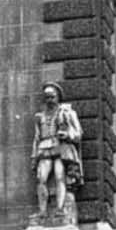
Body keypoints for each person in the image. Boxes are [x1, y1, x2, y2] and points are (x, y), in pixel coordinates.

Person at [32, 82, 82, 219]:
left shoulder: (67, 113)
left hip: (60, 147)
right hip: (44, 148)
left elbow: (78, 133)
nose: (50, 100)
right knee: (41, 179)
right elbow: (36, 138)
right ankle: (42, 210)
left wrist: (67, 135)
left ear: (58, 97)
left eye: (52, 97)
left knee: (60, 177)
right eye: (47, 97)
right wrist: (33, 157)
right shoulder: (40, 116)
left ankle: (60, 209)